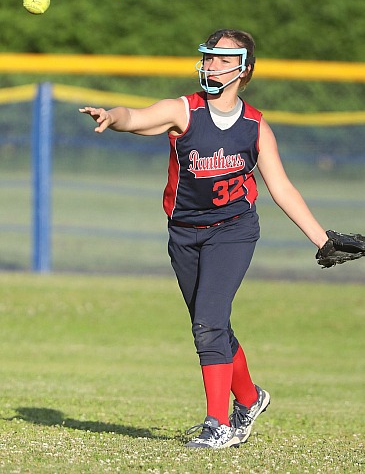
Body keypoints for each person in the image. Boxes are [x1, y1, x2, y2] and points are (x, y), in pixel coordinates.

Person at [80, 29, 328, 449]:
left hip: (233, 230)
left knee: (207, 324)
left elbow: (282, 189)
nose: (210, 65)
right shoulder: (185, 111)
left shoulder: (254, 126)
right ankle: (250, 400)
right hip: (184, 234)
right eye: (208, 57)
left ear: (243, 69)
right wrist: (113, 116)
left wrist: (323, 241)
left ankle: (219, 424)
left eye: (220, 58)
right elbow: (136, 117)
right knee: (212, 325)